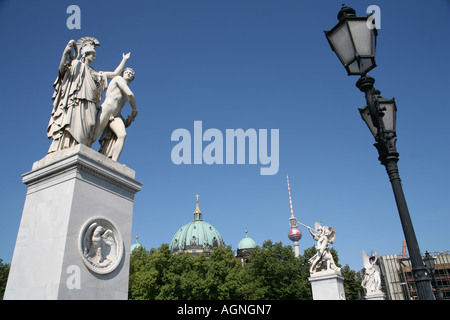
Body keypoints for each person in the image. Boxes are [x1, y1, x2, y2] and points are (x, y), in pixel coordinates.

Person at [47, 37, 130, 153]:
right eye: (92, 54)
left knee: (89, 126)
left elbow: (115, 74)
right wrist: (65, 53)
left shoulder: (96, 73)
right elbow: (61, 70)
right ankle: (68, 146)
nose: (94, 57)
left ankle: (81, 150)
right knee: (74, 126)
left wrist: (124, 60)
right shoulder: (76, 64)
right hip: (77, 101)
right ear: (85, 54)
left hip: (90, 104)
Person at [94, 68, 138, 161]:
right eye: (127, 72)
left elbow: (120, 106)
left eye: (131, 74)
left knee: (122, 135)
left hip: (116, 115)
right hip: (107, 108)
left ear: (133, 78)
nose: (129, 74)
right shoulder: (119, 79)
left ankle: (113, 161)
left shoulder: (125, 87)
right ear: (123, 74)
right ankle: (83, 149)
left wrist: (129, 119)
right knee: (94, 135)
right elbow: (130, 95)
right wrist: (134, 109)